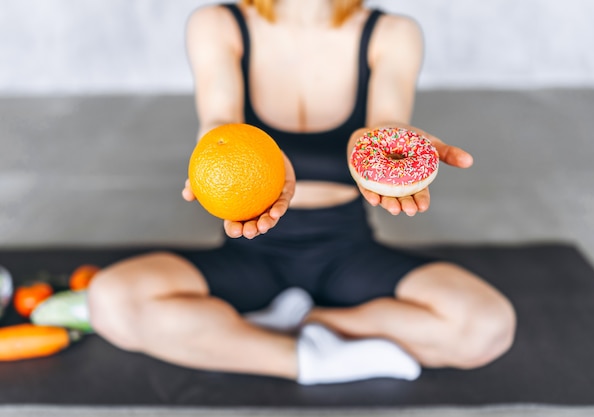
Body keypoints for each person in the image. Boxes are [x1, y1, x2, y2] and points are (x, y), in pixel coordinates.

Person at [87, 0, 516, 385]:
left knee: (487, 327)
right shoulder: (218, 24)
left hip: (348, 253)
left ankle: (296, 323)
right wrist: (222, 155)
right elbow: (219, 119)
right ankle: (309, 361)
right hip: (250, 253)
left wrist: (397, 143)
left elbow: (387, 123)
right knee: (111, 301)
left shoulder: (392, 33)